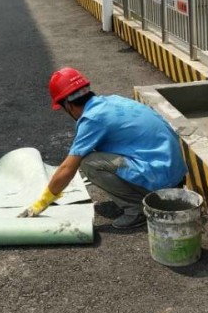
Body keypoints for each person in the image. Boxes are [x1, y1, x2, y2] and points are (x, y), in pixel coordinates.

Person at [19, 67, 187, 230]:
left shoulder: (92, 119)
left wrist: (41, 203)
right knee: (95, 154)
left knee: (88, 162)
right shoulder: (112, 101)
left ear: (67, 105)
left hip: (163, 180)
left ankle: (137, 210)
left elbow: (68, 168)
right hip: (175, 173)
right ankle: (144, 195)